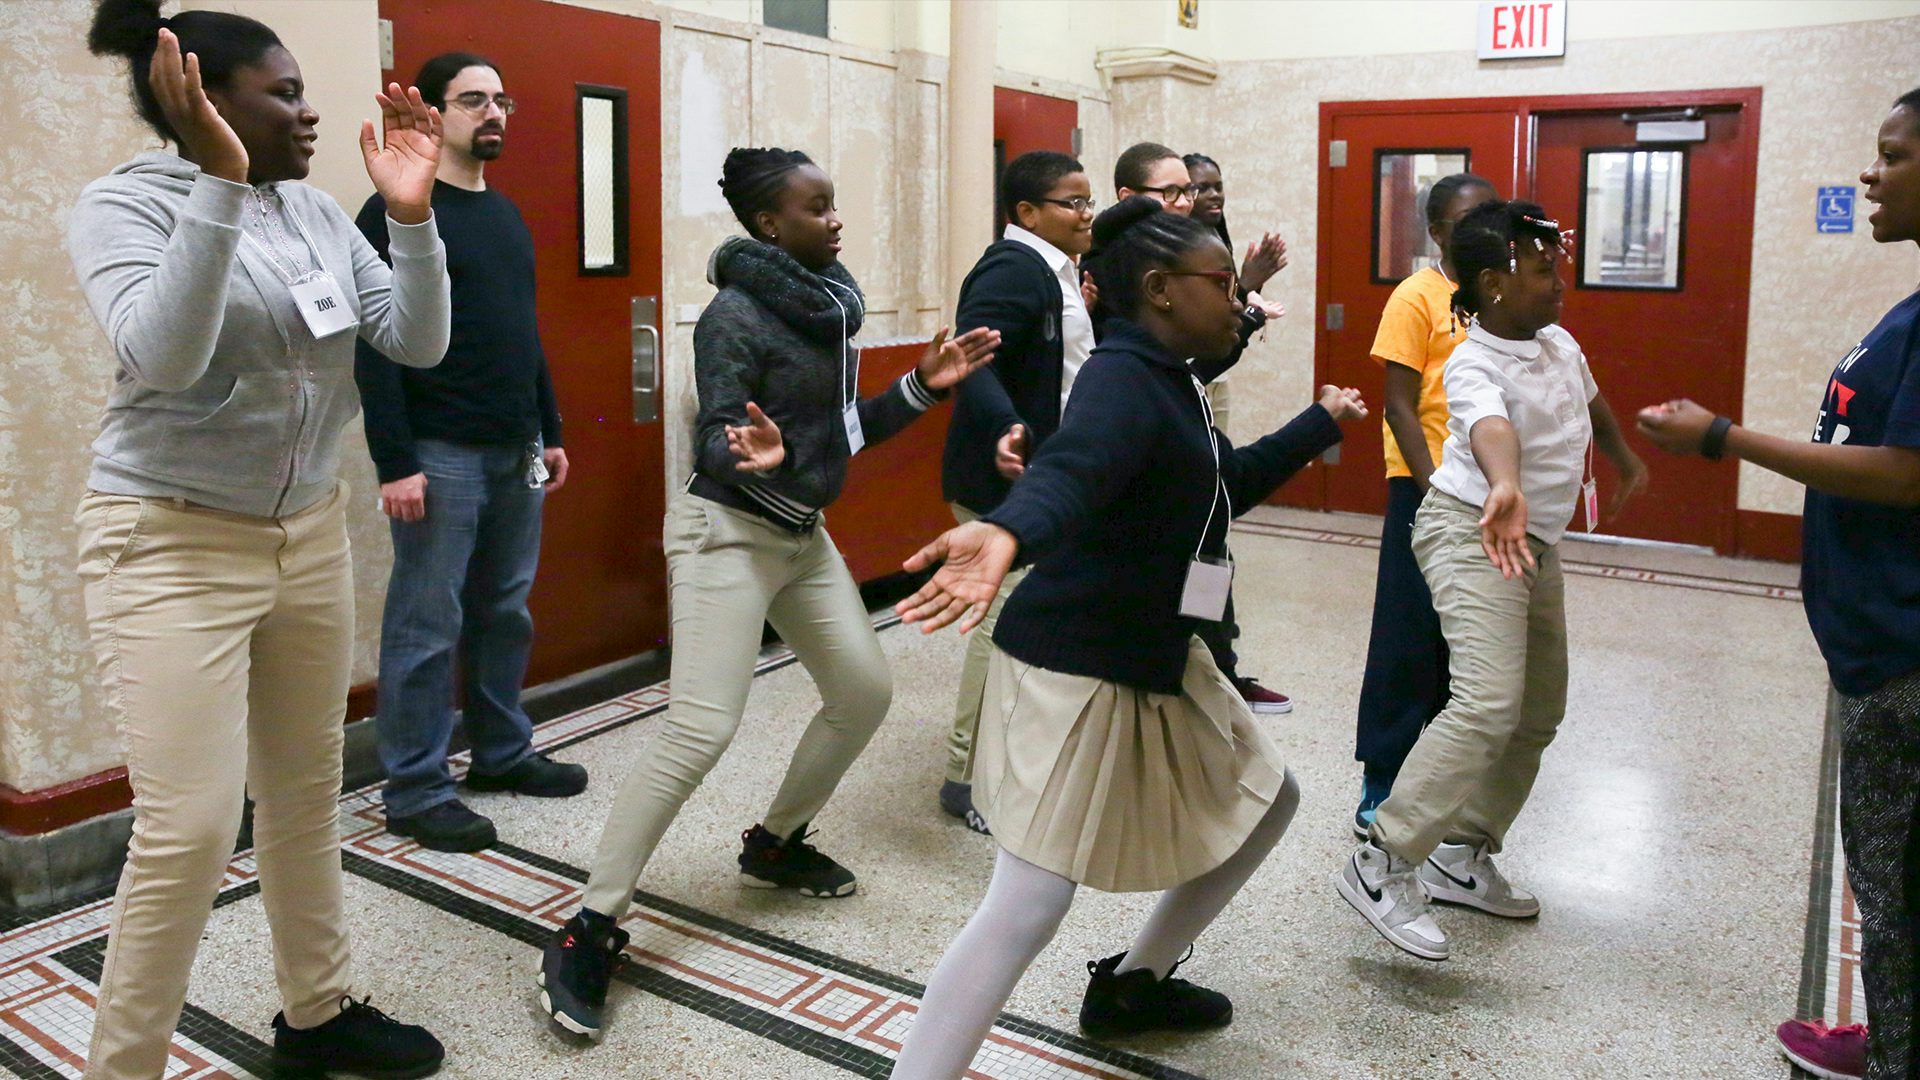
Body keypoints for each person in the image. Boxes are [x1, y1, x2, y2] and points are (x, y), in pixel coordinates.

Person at [886, 197, 1368, 1078]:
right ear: (1159, 289)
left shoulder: (1170, 377)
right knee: (1028, 904)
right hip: (1076, 661)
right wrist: (1010, 530)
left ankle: (1135, 983)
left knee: (1270, 800)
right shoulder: (1121, 379)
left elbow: (1221, 483)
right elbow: (1074, 471)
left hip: (1152, 651)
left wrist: (1319, 423)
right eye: (1222, 283)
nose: (1238, 301)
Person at [536, 147, 998, 1040]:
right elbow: (719, 438)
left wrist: (921, 387)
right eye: (816, 208)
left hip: (798, 534)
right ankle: (588, 926)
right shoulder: (734, 317)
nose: (835, 219)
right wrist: (758, 453)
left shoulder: (825, 308)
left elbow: (842, 432)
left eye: (834, 202)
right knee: (700, 729)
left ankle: (776, 843)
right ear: (768, 226)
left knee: (863, 689)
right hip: (726, 535)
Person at [70, 2, 452, 1076]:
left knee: (303, 789)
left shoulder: (317, 212)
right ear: (203, 101)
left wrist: (411, 219)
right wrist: (220, 185)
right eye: (284, 93)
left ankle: (316, 1015)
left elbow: (414, 341)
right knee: (189, 830)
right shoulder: (121, 206)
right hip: (168, 542)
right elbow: (164, 355)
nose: (309, 110)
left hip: (306, 535)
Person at [1638, 88, 1920, 1080]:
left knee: (1897, 881)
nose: (1870, 174)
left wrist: (1726, 439)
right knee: (1891, 875)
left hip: (1905, 653)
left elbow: (1907, 472)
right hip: (1878, 644)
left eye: (1893, 155)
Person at [1334, 199, 1648, 963]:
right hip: (1470, 528)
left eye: (1555, 266)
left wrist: (1623, 456)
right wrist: (1504, 483)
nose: (1559, 282)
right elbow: (1487, 426)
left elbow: (1592, 404)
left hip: (1531, 539)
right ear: (1494, 284)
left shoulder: (1557, 343)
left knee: (1538, 710)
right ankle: (1381, 859)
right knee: (1486, 702)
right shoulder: (1473, 360)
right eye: (1541, 270)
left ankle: (1461, 851)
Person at [354, 51, 585, 854]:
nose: (493, 113)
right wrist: (395, 461)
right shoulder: (395, 211)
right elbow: (373, 345)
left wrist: (549, 430)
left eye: (501, 100)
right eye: (473, 100)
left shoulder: (506, 215)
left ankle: (501, 752)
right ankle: (416, 788)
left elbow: (523, 333)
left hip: (513, 446)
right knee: (426, 624)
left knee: (504, 610)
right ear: (434, 113)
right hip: (437, 448)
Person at [935, 150, 1096, 836]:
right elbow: (970, 360)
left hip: (1043, 474)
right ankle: (965, 775)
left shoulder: (1055, 270)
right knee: (998, 620)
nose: (1086, 214)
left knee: (1030, 619)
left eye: (1089, 201)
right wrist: (1007, 425)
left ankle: (1021, 751)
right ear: (1027, 212)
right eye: (1073, 203)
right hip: (1002, 478)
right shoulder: (1013, 267)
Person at [1351, 173, 1498, 837]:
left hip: (1488, 492)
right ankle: (1383, 774)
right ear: (1438, 233)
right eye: (1467, 220)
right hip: (1426, 487)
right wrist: (1434, 486)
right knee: (1407, 634)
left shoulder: (1499, 295)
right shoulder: (1416, 296)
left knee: (1465, 638)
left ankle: (1443, 779)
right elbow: (1399, 405)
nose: (1483, 230)